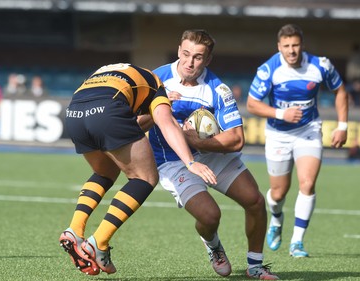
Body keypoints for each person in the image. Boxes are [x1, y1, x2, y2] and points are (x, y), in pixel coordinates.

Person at [59, 63, 217, 276]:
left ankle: (74, 230)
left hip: (75, 112)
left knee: (105, 172)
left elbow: (132, 124)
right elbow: (166, 122)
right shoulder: (157, 85)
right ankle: (99, 243)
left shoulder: (122, 74)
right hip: (107, 110)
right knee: (145, 178)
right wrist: (190, 162)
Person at [147, 29, 279, 279]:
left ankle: (255, 266)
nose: (189, 62)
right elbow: (136, 121)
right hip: (172, 160)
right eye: (186, 54)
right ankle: (213, 245)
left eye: (198, 57)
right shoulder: (156, 79)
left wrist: (199, 142)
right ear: (178, 51)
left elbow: (237, 139)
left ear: (207, 60)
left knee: (255, 201)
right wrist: (160, 103)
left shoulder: (218, 89)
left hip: (209, 153)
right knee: (210, 216)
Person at [246, 24, 349, 258]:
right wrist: (281, 114)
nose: (291, 50)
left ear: (301, 45)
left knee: (307, 183)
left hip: (309, 130)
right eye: (286, 46)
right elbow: (252, 103)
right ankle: (276, 218)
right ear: (279, 47)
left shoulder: (320, 65)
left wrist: (342, 126)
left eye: (295, 45)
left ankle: (297, 242)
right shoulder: (268, 69)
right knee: (279, 193)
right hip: (279, 134)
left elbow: (341, 91)